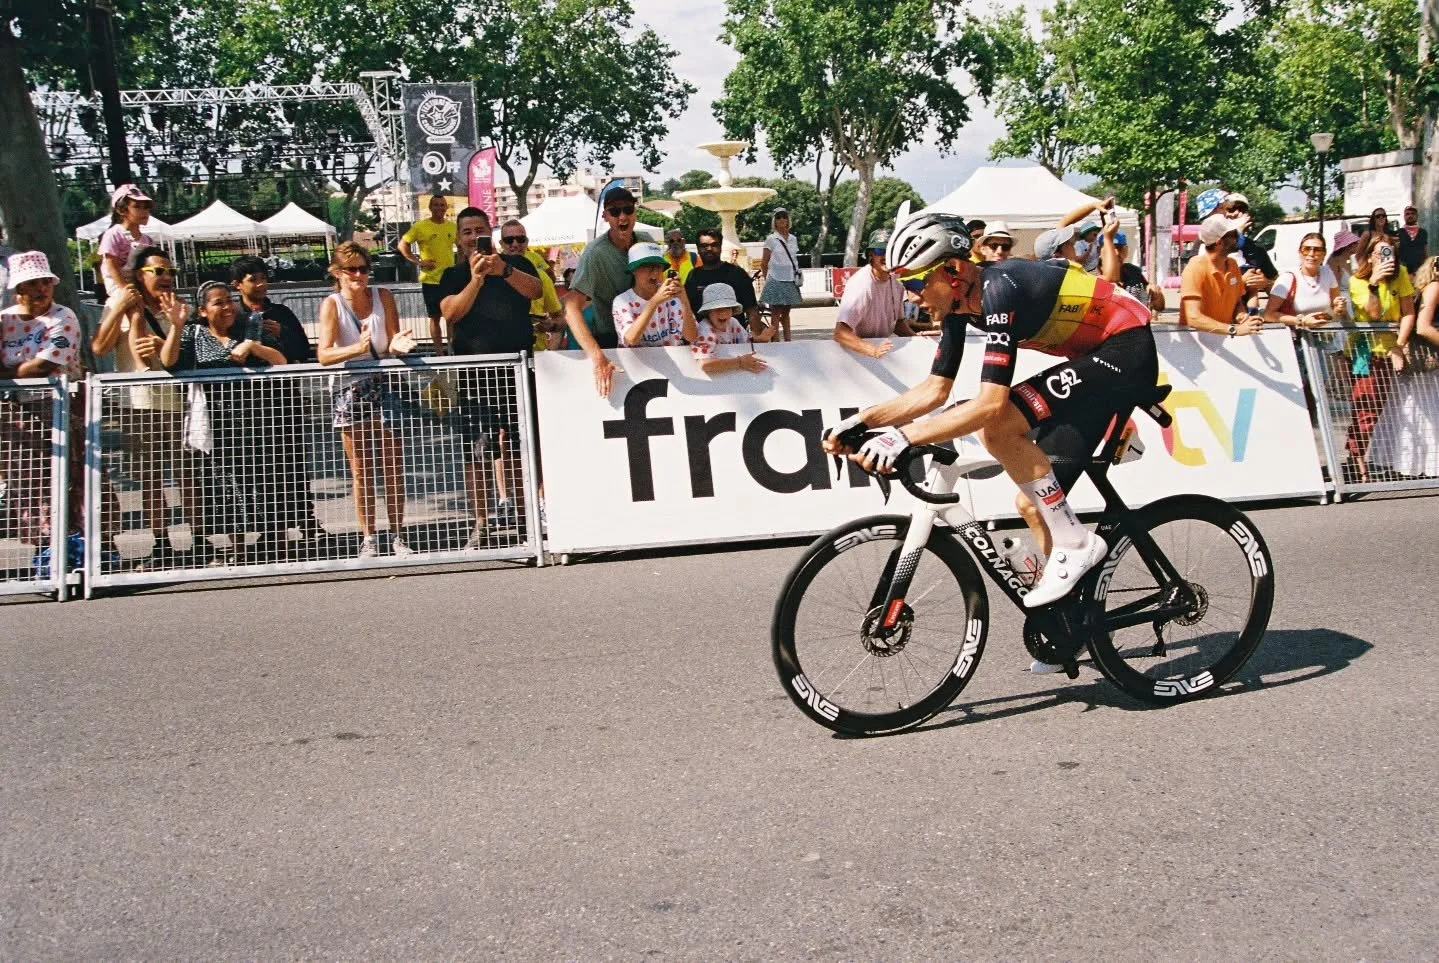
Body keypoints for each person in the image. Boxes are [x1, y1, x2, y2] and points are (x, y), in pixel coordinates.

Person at [823, 213, 1158, 627]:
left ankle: (1074, 541)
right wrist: (861, 421)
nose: (910, 297)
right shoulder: (962, 306)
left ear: (954, 270)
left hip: (1126, 347)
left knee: (998, 426)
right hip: (1091, 359)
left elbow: (989, 404)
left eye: (914, 283)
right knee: (1031, 504)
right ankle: (1068, 623)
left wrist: (900, 438)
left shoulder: (1002, 288)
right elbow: (935, 391)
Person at [160, 281, 289, 566]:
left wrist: (254, 347)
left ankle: (278, 544)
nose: (228, 307)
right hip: (217, 422)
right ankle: (238, 548)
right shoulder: (194, 334)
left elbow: (281, 361)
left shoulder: (251, 327)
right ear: (204, 311)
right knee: (225, 485)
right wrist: (176, 325)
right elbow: (168, 362)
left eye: (229, 300)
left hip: (257, 420)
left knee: (266, 480)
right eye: (218, 302)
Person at [438, 208, 543, 547]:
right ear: (458, 238)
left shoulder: (516, 263)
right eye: (466, 231)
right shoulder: (452, 275)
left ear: (490, 233)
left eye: (479, 230)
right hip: (474, 375)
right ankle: (481, 523)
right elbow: (451, 313)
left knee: (518, 446)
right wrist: (477, 280)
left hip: (517, 368)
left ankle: (526, 518)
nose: (473, 237)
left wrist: (504, 269)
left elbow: (536, 291)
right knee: (477, 452)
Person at [91, 245, 196, 563]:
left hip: (179, 399)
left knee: (188, 474)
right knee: (150, 476)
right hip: (136, 401)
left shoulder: (178, 307)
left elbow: (185, 355)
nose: (167, 277)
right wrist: (122, 305)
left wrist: (173, 331)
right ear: (139, 274)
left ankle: (197, 539)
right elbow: (100, 347)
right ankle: (160, 542)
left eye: (171, 272)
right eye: (159, 271)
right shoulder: (122, 303)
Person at [316, 242, 418, 559]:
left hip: (385, 386)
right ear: (339, 273)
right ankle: (369, 537)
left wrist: (401, 345)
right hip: (350, 390)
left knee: (393, 466)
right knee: (361, 470)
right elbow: (324, 354)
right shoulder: (332, 304)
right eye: (352, 270)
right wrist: (356, 350)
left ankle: (398, 535)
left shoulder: (383, 296)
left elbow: (393, 338)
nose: (359, 275)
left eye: (364, 269)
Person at [230, 255, 321, 550]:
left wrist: (283, 334)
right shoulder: (234, 316)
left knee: (292, 460)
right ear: (238, 285)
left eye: (262, 277)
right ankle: (271, 528)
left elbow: (304, 349)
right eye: (252, 279)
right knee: (260, 466)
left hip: (283, 397)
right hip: (249, 403)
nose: (260, 284)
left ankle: (307, 521)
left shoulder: (281, 312)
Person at [0, 252, 84, 550]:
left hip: (61, 407)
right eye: (32, 283)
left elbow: (45, 364)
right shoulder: (5, 318)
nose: (40, 289)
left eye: (45, 281)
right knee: (29, 480)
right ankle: (45, 548)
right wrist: (19, 373)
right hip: (17, 411)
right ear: (18, 289)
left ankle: (87, 545)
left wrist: (9, 372)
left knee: (74, 477)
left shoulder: (63, 316)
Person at [1343, 232, 1416, 482]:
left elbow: (1408, 312)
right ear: (1369, 256)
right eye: (1381, 253)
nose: (1387, 257)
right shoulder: (1357, 281)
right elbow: (1374, 314)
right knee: (1367, 408)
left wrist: (1399, 344)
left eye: (1390, 252)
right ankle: (1356, 458)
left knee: (1387, 409)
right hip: (1368, 353)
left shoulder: (1402, 274)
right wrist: (1374, 284)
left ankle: (1385, 458)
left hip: (1391, 348)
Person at [563, 186, 638, 396]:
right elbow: (570, 307)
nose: (622, 216)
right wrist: (597, 358)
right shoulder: (595, 253)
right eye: (615, 211)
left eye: (628, 209)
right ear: (605, 216)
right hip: (611, 341)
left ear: (635, 212)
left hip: (648, 340)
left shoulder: (646, 242)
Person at [1178, 214, 1265, 337]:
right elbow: (1193, 317)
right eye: (1234, 234)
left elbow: (1236, 302)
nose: (1238, 237)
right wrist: (1233, 330)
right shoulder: (1195, 268)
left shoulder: (1232, 265)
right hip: (1195, 345)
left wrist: (1242, 316)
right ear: (1219, 242)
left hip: (1221, 339)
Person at [833, 228, 913, 359]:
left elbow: (898, 324)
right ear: (871, 255)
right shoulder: (861, 285)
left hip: (879, 351)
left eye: (890, 251)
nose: (886, 256)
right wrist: (873, 350)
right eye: (880, 251)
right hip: (857, 353)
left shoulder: (896, 281)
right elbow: (840, 333)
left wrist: (918, 340)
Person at [399, 195, 457, 354]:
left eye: (442, 205)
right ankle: (439, 353)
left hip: (450, 279)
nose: (439, 208)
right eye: (436, 205)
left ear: (446, 207)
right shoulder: (420, 227)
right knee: (435, 317)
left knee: (452, 318)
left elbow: (462, 247)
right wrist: (418, 262)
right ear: (430, 208)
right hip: (431, 280)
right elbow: (402, 245)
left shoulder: (453, 227)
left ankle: (453, 351)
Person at [497, 220, 565, 351]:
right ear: (501, 244)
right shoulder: (491, 275)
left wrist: (551, 325)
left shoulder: (542, 276)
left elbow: (559, 319)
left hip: (535, 354)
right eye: (509, 240)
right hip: (501, 354)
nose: (515, 244)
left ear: (527, 242)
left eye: (520, 239)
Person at [614, 242, 698, 348]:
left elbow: (691, 337)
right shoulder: (623, 301)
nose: (654, 273)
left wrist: (684, 299)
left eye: (658, 267)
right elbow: (631, 339)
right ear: (633, 270)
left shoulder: (672, 297)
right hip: (638, 363)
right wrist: (654, 302)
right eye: (647, 267)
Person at [684, 227, 763, 334]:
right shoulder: (693, 276)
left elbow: (752, 310)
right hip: (702, 341)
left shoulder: (737, 273)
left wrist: (757, 341)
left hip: (735, 341)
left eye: (714, 245)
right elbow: (687, 311)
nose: (709, 249)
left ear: (720, 247)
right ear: (698, 249)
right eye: (704, 246)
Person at [1264, 233, 1346, 330]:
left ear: (1324, 254)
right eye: (1306, 249)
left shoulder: (1327, 273)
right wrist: (1301, 321)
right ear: (1300, 253)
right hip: (1296, 339)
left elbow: (1335, 308)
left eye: (1317, 250)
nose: (1311, 254)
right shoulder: (1287, 278)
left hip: (1324, 337)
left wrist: (1339, 308)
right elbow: (1269, 315)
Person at [690, 283, 769, 377]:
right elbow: (704, 364)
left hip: (735, 378)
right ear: (708, 312)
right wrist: (739, 362)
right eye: (717, 309)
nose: (723, 313)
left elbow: (746, 345)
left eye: (727, 308)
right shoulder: (705, 330)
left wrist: (759, 341)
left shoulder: (733, 322)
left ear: (733, 310)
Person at [98, 185, 157, 297]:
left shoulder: (148, 240)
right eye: (137, 207)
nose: (144, 211)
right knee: (135, 312)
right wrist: (126, 290)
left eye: (146, 207)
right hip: (118, 286)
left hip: (140, 285)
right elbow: (112, 265)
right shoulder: (113, 234)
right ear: (121, 210)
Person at [759, 208, 802, 342]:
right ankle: (776, 341)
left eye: (784, 216)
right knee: (776, 313)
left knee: (787, 313)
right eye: (778, 217)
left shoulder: (793, 239)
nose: (782, 219)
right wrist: (768, 279)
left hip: (790, 278)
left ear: (788, 220)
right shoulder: (771, 239)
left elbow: (794, 258)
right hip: (776, 278)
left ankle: (788, 341)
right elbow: (764, 263)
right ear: (774, 222)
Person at [1109, 231, 1167, 312]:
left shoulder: (1133, 271)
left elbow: (1159, 306)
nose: (1117, 253)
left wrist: (1156, 293)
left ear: (1126, 251)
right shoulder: (1096, 276)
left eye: (1119, 248)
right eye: (1111, 249)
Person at [1397, 206, 1429, 277]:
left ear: (1417, 216)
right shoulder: (1399, 232)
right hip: (1404, 270)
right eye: (1407, 214)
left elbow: (1425, 250)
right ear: (1404, 216)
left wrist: (1427, 266)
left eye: (1413, 214)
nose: (1410, 216)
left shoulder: (1423, 232)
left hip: (1420, 270)